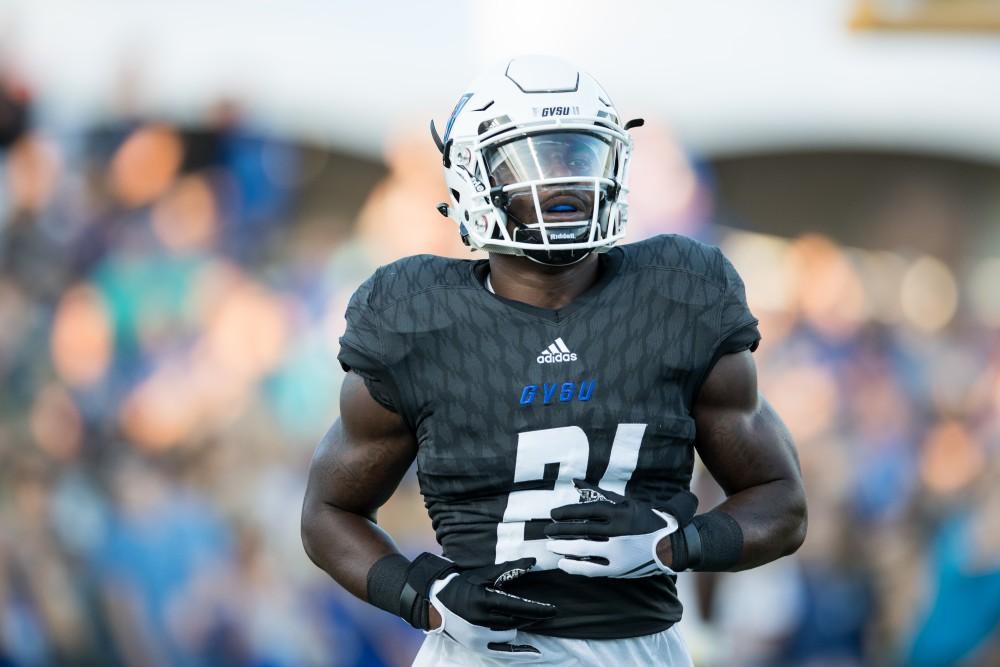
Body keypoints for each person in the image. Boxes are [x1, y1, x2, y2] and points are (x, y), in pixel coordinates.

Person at [301, 55, 807, 666]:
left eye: (578, 156)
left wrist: (675, 544)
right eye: (532, 161)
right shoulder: (417, 319)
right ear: (471, 177)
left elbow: (782, 501)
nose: (562, 182)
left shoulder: (678, 296)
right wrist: (428, 596)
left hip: (636, 650)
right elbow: (328, 513)